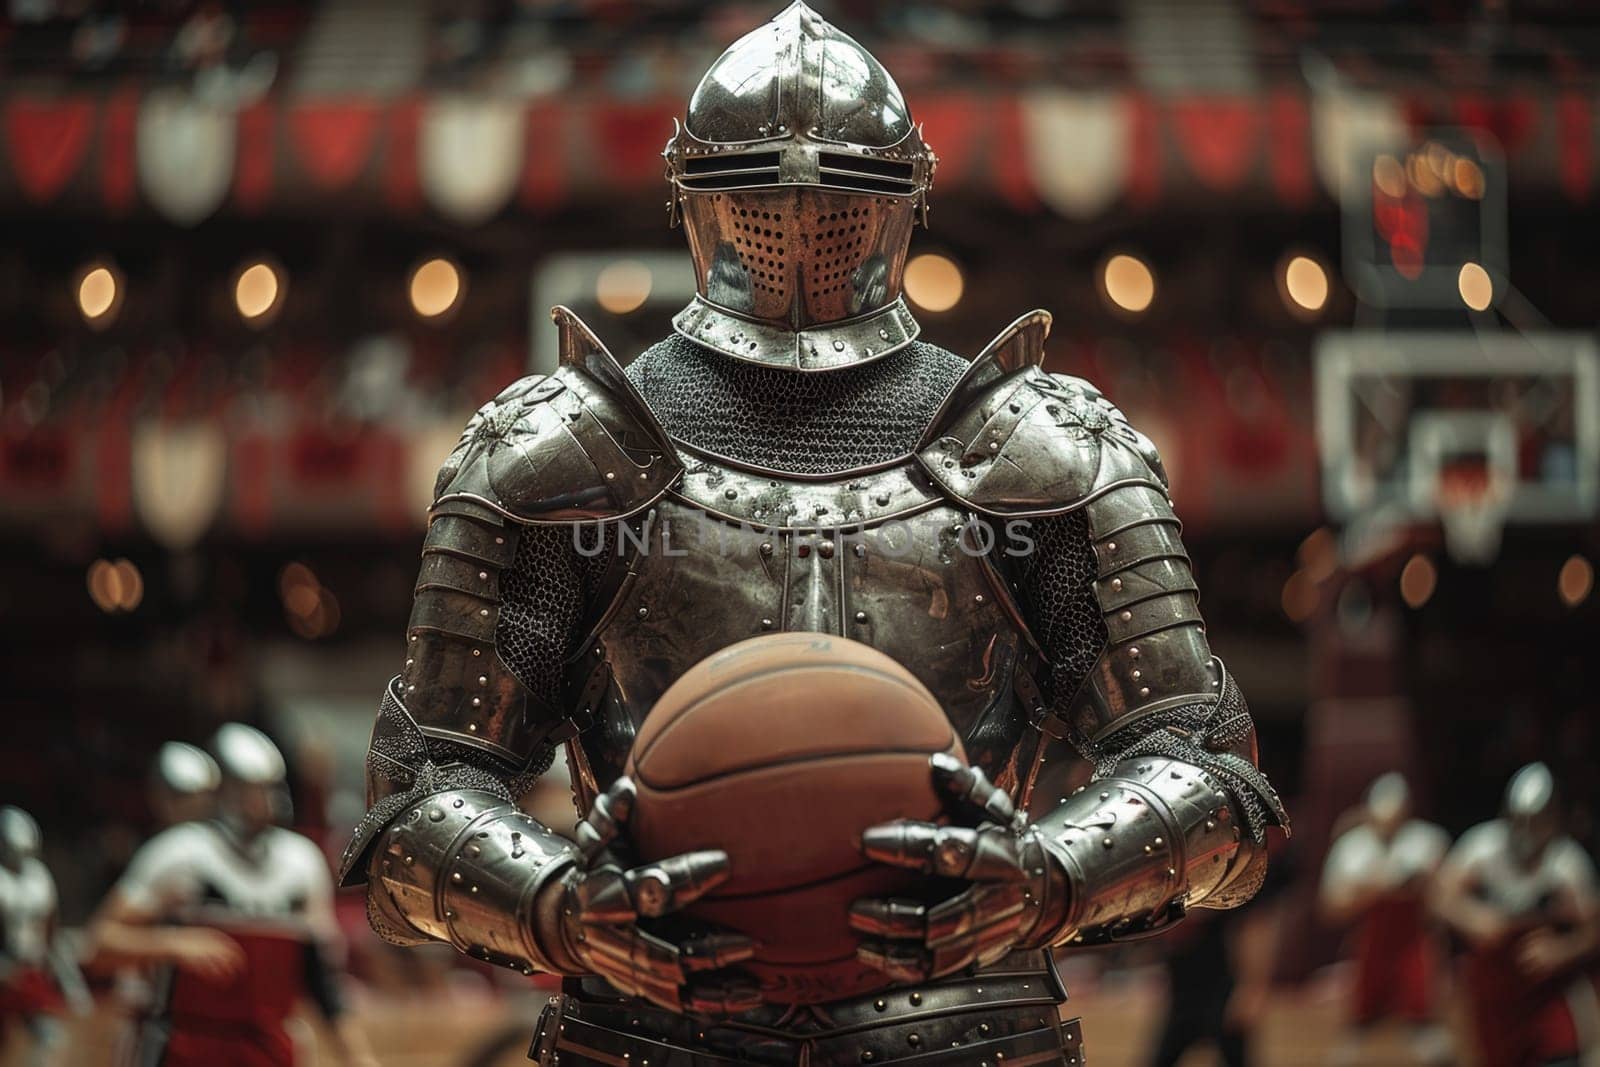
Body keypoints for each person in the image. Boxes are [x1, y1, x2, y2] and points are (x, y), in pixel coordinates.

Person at [340, 3, 1288, 1063]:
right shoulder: (555, 453)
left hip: (955, 1033)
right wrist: (561, 901)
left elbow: (1211, 777)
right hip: (659, 1031)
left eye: (839, 187)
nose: (799, 214)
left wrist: (1049, 873)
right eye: (762, 188)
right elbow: (417, 797)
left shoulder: (1051, 451)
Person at [88, 724, 376, 1067]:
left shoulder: (302, 861)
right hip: (183, 1041)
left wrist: (358, 1058)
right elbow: (97, 944)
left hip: (267, 1044)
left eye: (268, 788)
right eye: (249, 790)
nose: (262, 801)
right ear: (222, 791)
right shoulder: (178, 852)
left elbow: (321, 978)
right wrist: (172, 944)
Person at [1434, 763, 1600, 1067]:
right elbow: (1441, 897)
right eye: (1520, 821)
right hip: (1495, 991)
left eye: (1535, 822)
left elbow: (1593, 930)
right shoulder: (1482, 848)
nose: (1526, 832)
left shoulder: (1567, 864)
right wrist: (1472, 917)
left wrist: (1563, 950)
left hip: (1546, 992)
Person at [1319, 772, 1452, 1063]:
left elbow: (1447, 902)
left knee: (1426, 1030)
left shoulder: (1428, 842)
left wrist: (1421, 888)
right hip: (1369, 947)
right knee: (1357, 1029)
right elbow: (1330, 906)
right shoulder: (1351, 847)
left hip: (1414, 945)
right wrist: (1371, 890)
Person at [0, 807, 85, 1067]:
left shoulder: (39, 876)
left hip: (29, 970)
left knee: (51, 1038)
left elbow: (51, 928)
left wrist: (67, 977)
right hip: (3, 972)